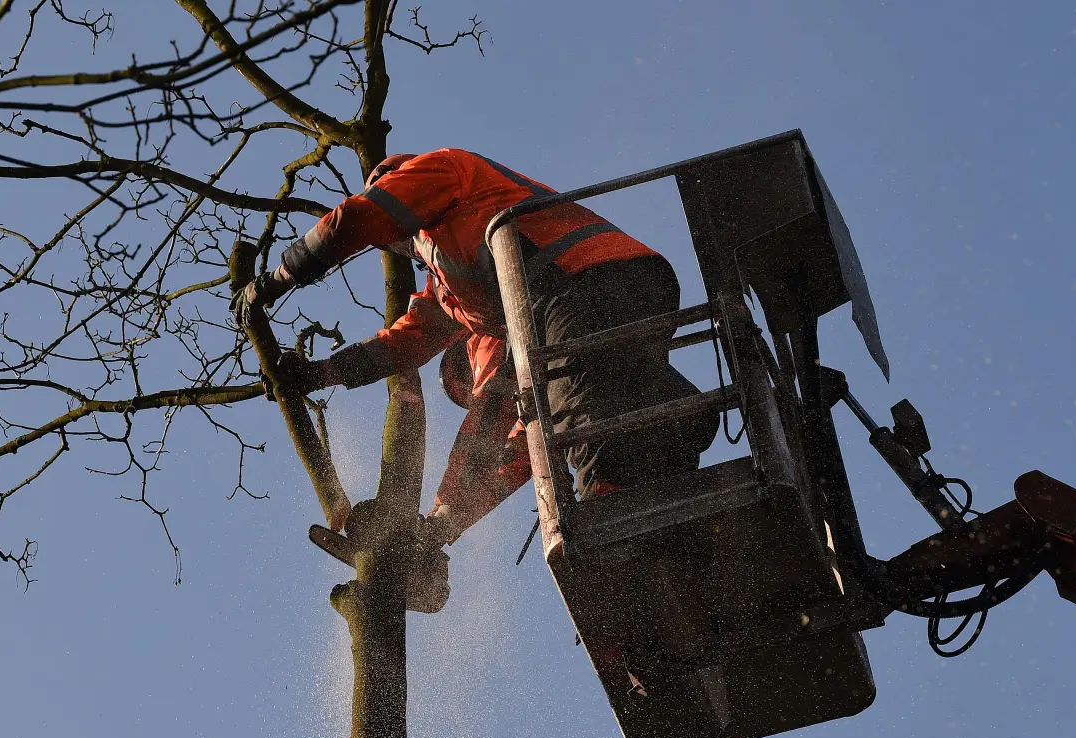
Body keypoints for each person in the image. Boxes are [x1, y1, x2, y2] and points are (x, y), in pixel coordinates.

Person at [237, 149, 717, 546]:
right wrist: (320, 374)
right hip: (614, 293)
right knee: (606, 411)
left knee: (575, 409)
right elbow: (409, 343)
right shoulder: (452, 284)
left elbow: (351, 220)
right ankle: (672, 504)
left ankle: (609, 535)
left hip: (585, 279)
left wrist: (274, 283)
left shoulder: (437, 170)